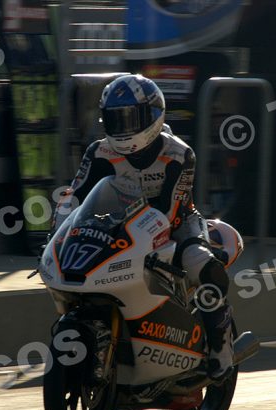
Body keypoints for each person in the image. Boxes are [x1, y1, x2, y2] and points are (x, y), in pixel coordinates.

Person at [56, 74, 234, 379]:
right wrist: (59, 229)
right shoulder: (99, 151)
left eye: (131, 118)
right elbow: (76, 196)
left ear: (153, 116)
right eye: (115, 119)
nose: (123, 127)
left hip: (178, 223)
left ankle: (221, 347)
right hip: (115, 225)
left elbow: (170, 209)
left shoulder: (178, 153)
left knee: (202, 265)